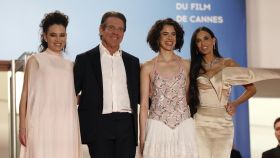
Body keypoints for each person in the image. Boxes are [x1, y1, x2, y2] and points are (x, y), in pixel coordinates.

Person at [188, 26, 280, 158]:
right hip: (200, 121)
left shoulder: (228, 63)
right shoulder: (192, 66)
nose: (203, 43)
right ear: (195, 45)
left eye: (206, 38)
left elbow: (251, 89)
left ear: (214, 41)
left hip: (223, 122)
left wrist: (235, 103)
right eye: (198, 40)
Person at [73, 11, 140, 158]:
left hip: (126, 126)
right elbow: (71, 92)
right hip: (98, 126)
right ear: (101, 29)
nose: (116, 32)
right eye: (111, 27)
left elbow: (141, 95)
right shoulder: (85, 59)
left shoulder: (133, 62)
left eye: (121, 29)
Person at [18, 11, 82, 158]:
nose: (58, 39)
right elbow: (25, 97)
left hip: (66, 125)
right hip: (41, 124)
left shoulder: (70, 65)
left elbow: (71, 97)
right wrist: (22, 127)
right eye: (53, 35)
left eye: (62, 35)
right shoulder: (36, 60)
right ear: (45, 36)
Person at [139, 18, 198, 158]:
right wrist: (142, 138)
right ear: (157, 37)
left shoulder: (186, 65)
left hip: (184, 127)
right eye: (165, 34)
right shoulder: (147, 67)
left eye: (173, 34)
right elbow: (144, 106)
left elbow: (189, 98)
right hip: (157, 127)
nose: (170, 38)